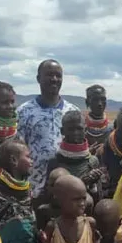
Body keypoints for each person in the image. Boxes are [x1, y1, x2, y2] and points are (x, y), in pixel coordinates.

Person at [17, 59, 78, 198]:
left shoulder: (73, 111)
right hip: (33, 188)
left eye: (58, 75)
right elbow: (18, 151)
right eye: (49, 75)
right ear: (38, 78)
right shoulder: (24, 111)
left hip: (66, 190)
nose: (54, 79)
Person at [46, 110, 104, 202]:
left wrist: (93, 185)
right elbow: (49, 198)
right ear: (62, 131)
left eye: (79, 128)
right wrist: (83, 182)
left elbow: (98, 199)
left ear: (85, 130)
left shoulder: (92, 161)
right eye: (70, 129)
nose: (75, 133)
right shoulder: (55, 162)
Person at [84, 84, 113, 153]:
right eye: (95, 100)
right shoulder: (80, 127)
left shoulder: (113, 128)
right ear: (87, 102)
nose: (100, 103)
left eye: (103, 99)